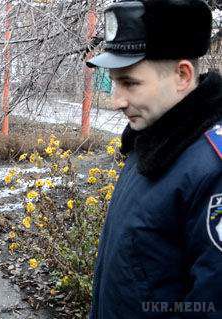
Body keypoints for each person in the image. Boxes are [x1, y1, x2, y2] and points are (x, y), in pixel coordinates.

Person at [86, 0, 222, 318]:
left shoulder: (211, 170)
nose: (116, 101)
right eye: (114, 81)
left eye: (130, 83)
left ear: (182, 76)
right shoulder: (154, 139)